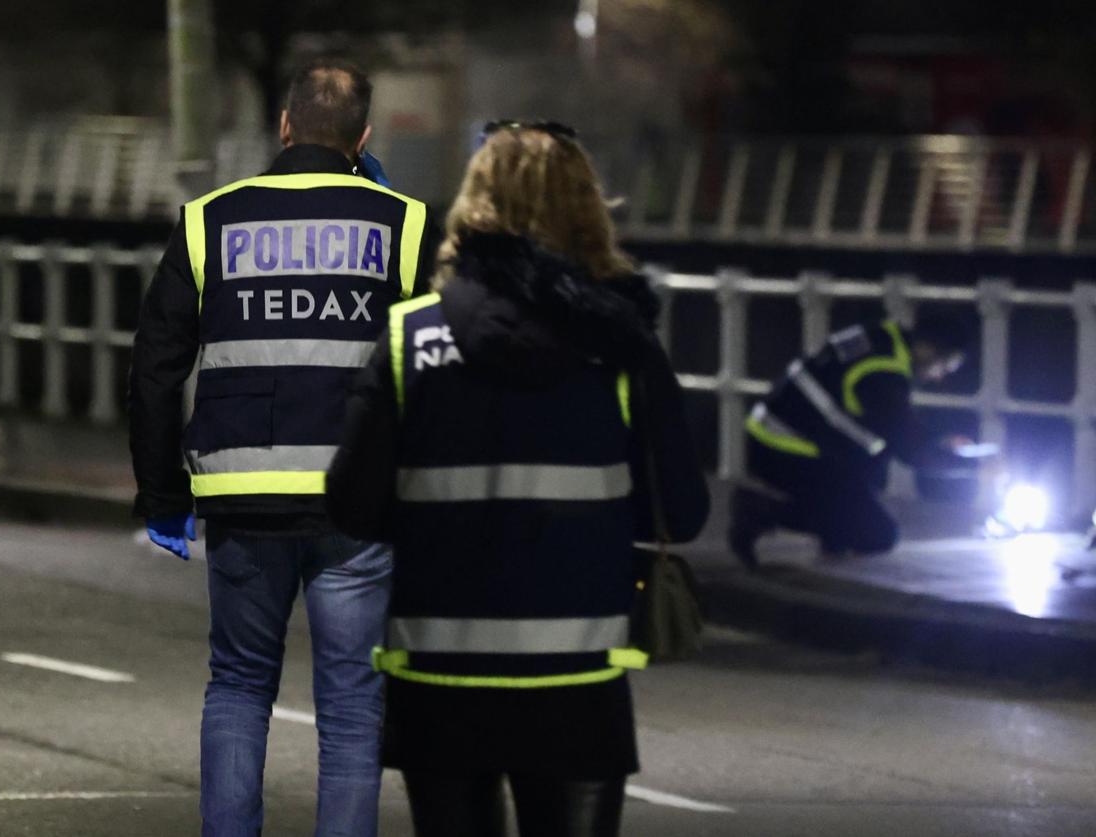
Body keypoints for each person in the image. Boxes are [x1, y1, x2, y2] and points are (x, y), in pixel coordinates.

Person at [325, 120, 709, 837]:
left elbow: (351, 504)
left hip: (439, 681)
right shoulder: (620, 347)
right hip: (577, 684)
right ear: (588, 212)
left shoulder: (409, 340)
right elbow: (681, 512)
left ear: (474, 207)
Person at [128, 59, 437, 837]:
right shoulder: (403, 224)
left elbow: (156, 369)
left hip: (243, 495)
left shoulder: (210, 220)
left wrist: (163, 494)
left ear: (284, 126)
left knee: (236, 685)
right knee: (352, 706)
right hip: (356, 501)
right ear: (363, 137)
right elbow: (435, 368)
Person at [728, 315, 971, 568]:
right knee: (878, 535)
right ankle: (761, 511)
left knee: (874, 459)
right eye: (945, 366)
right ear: (928, 348)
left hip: (772, 438)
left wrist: (939, 441)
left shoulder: (882, 340)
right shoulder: (882, 372)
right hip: (787, 450)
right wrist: (976, 466)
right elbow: (912, 452)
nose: (940, 377)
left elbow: (893, 428)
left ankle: (835, 533)